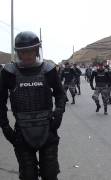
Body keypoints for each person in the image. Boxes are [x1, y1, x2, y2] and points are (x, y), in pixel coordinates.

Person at [0, 31, 66, 180]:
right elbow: (1, 101)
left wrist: (59, 113)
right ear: (18, 53)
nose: (27, 55)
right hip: (22, 133)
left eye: (30, 51)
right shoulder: (9, 73)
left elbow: (60, 94)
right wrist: (5, 127)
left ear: (36, 51)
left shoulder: (48, 70)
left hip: (47, 129)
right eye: (23, 52)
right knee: (28, 176)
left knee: (50, 174)